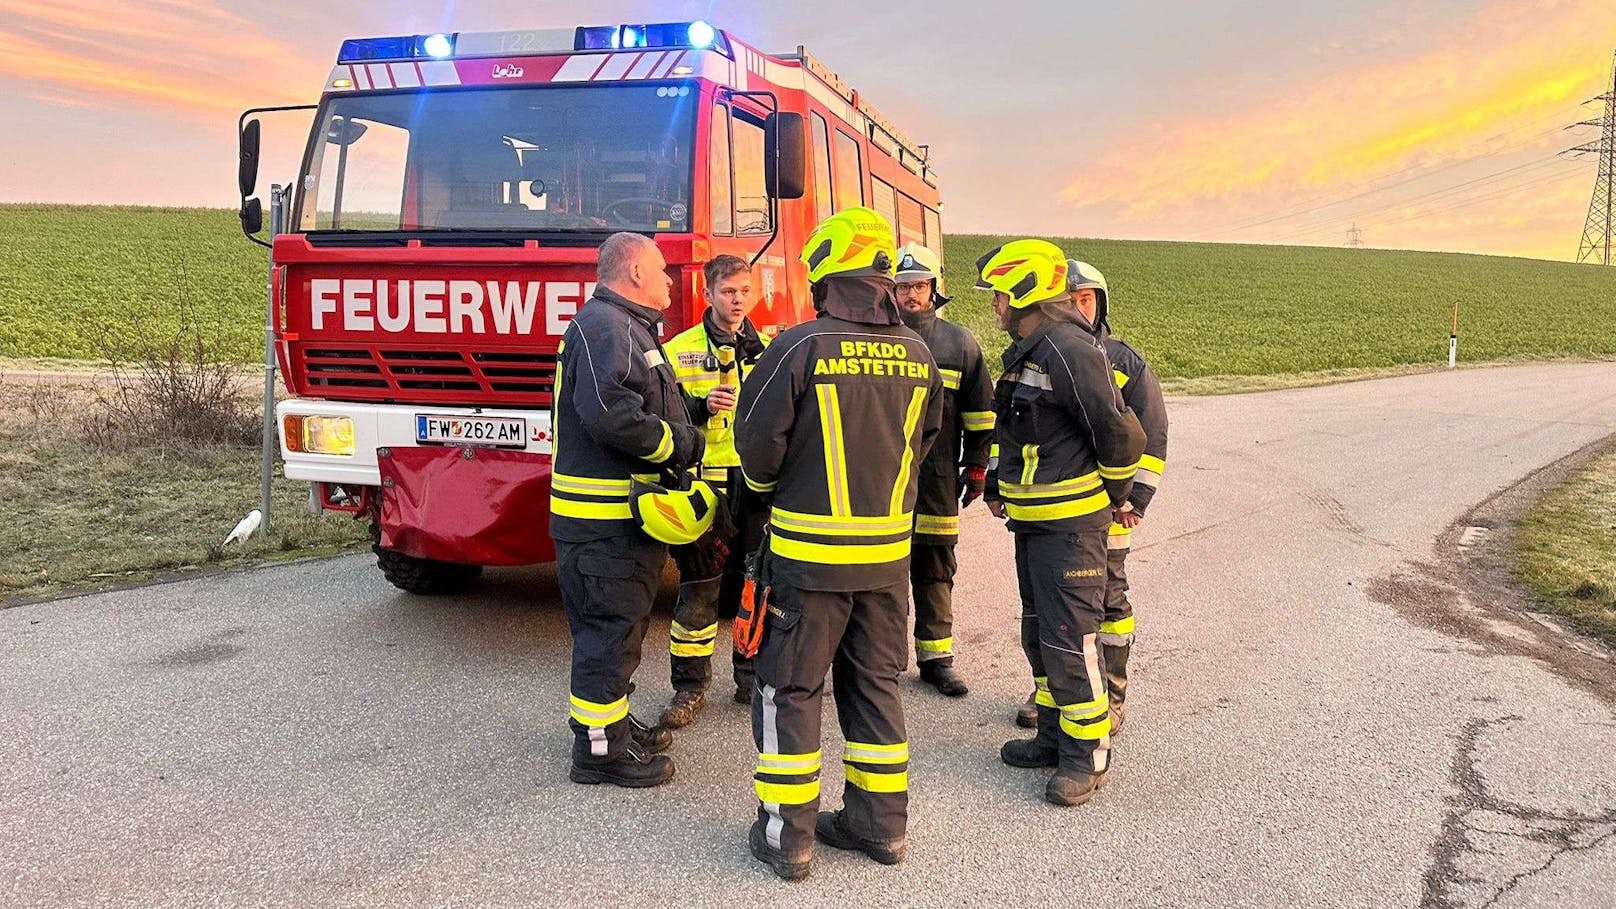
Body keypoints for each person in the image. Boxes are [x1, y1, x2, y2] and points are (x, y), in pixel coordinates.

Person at [736, 208, 943, 880]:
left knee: (790, 689)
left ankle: (786, 838)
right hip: (886, 563)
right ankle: (880, 826)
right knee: (875, 685)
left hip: (806, 559)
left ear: (828, 272)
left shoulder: (798, 346)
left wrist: (773, 486)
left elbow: (755, 448)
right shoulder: (920, 353)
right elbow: (924, 446)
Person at [976, 239, 1145, 807]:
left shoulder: (1067, 349)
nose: (995, 305)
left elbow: (1120, 434)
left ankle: (1086, 755)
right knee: (1041, 635)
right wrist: (999, 487)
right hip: (1035, 524)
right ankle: (1052, 737)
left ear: (1024, 291)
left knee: (1071, 640)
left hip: (1071, 527)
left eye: (1000, 294)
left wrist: (1115, 494)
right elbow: (1017, 433)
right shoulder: (1034, 348)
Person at [549, 232, 705, 788]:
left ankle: (611, 725)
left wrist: (695, 415)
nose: (670, 281)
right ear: (635, 271)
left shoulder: (628, 327)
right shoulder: (605, 327)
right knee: (607, 634)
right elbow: (612, 416)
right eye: (663, 270)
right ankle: (598, 752)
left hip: (623, 523)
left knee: (621, 630)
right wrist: (680, 445)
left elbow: (650, 401)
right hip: (601, 526)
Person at [1015, 261, 1168, 732]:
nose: (1079, 307)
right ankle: (1062, 695)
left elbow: (1149, 435)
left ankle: (1111, 693)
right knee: (1061, 611)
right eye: (1071, 299)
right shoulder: (1044, 353)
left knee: (1108, 600)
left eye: (1088, 299)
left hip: (1109, 508)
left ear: (1100, 305)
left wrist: (1132, 500)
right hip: (1064, 513)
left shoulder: (1123, 361)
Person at [658, 255, 771, 727]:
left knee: (755, 584)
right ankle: (688, 688)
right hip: (704, 485)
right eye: (728, 291)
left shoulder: (769, 350)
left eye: (745, 290)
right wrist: (700, 406)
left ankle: (750, 678)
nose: (738, 299)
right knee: (699, 589)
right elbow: (660, 417)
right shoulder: (677, 350)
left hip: (752, 485)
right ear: (707, 294)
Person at [891, 243, 995, 697]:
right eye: (902, 286)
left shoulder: (958, 343)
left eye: (919, 285)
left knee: (935, 568)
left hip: (936, 480)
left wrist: (976, 465)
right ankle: (884, 661)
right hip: (883, 480)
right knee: (884, 573)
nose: (911, 294)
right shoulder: (874, 337)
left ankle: (936, 659)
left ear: (934, 289)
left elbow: (981, 414)